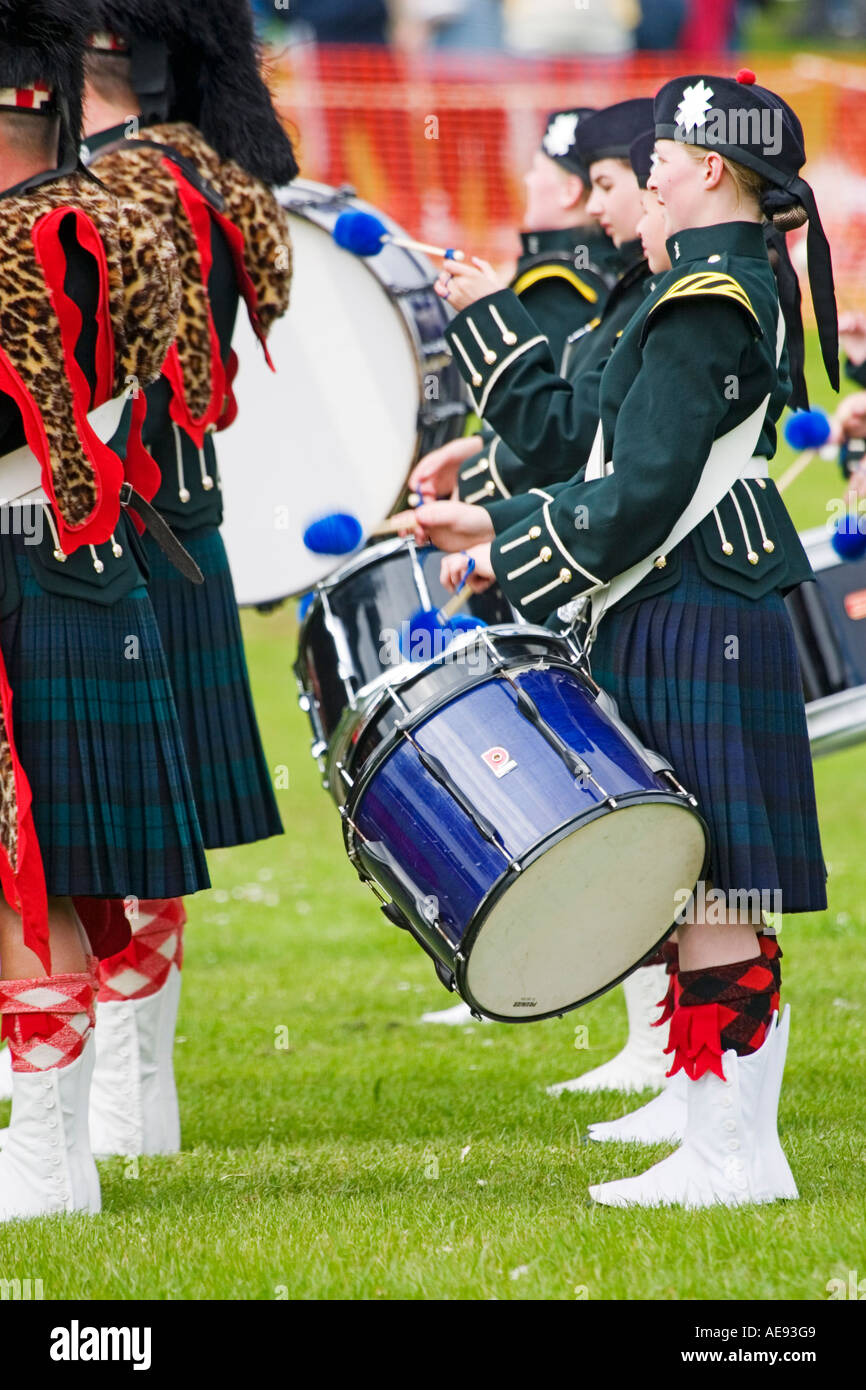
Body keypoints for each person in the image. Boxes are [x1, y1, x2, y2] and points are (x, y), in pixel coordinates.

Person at [404, 69, 836, 1208]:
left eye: (661, 153)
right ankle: (720, 1142)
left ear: (711, 169)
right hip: (678, 597)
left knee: (718, 885)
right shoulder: (701, 282)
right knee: (703, 885)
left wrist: (508, 548)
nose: (641, 167)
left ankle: (734, 1156)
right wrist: (497, 516)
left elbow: (642, 492)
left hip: (693, 600)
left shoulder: (709, 296)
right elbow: (599, 455)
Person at [72, 0, 297, 1159]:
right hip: (175, 509)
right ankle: (132, 1090)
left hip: (103, 519)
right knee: (139, 828)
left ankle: (114, 1090)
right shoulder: (211, 181)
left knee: (94, 825)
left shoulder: (109, 192)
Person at [0, 0, 213, 1223]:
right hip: (86, 567)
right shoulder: (108, 223)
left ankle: (43, 1166)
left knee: (20, 878)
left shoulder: (24, 242)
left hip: (26, 568)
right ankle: (60, 1158)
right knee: (65, 879)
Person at [410, 99, 652, 517]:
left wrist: (476, 488)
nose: (526, 178)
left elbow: (564, 433)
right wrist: (480, 449)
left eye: (536, 169)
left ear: (567, 191)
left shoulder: (560, 284)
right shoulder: (610, 277)